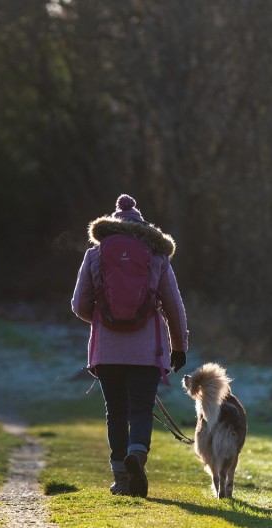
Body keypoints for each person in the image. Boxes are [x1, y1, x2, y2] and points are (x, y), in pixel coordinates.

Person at [71, 194, 189, 497]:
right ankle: (137, 454)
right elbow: (174, 306)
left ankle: (121, 478)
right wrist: (179, 346)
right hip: (148, 349)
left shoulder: (95, 255)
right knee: (140, 408)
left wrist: (102, 318)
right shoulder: (157, 256)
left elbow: (79, 304)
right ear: (143, 227)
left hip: (108, 350)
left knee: (116, 411)